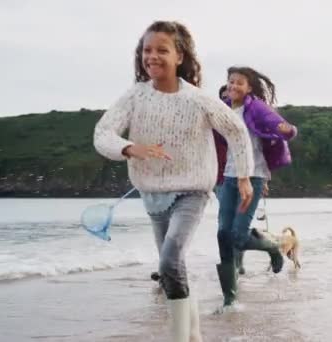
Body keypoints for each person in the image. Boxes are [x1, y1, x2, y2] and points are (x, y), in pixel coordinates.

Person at [93, 20, 254, 341]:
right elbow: (102, 133)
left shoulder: (198, 99)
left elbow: (236, 131)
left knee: (169, 260)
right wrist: (129, 147)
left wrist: (245, 177)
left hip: (192, 192)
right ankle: (193, 335)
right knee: (172, 269)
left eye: (161, 50)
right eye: (146, 50)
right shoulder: (135, 96)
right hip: (151, 194)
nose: (152, 56)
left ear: (179, 56)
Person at [214, 66, 297, 311]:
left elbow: (279, 124)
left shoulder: (255, 107)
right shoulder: (222, 108)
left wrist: (287, 130)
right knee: (222, 234)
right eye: (230, 82)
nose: (233, 87)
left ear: (249, 88)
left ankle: (274, 247)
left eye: (239, 83)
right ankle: (229, 300)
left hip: (254, 176)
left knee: (238, 236)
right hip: (228, 176)